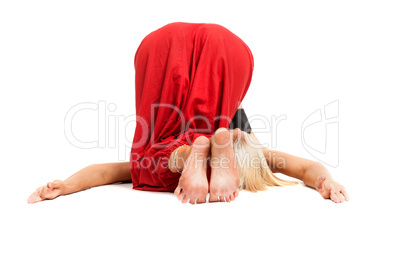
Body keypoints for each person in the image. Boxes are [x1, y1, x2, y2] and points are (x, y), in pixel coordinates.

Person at [27, 22, 349, 205]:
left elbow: (106, 172)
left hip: (207, 50)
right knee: (148, 163)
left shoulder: (252, 147)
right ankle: (192, 150)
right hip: (207, 54)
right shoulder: (255, 155)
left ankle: (193, 148)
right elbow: (108, 171)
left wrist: (67, 185)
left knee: (148, 161)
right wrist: (327, 182)